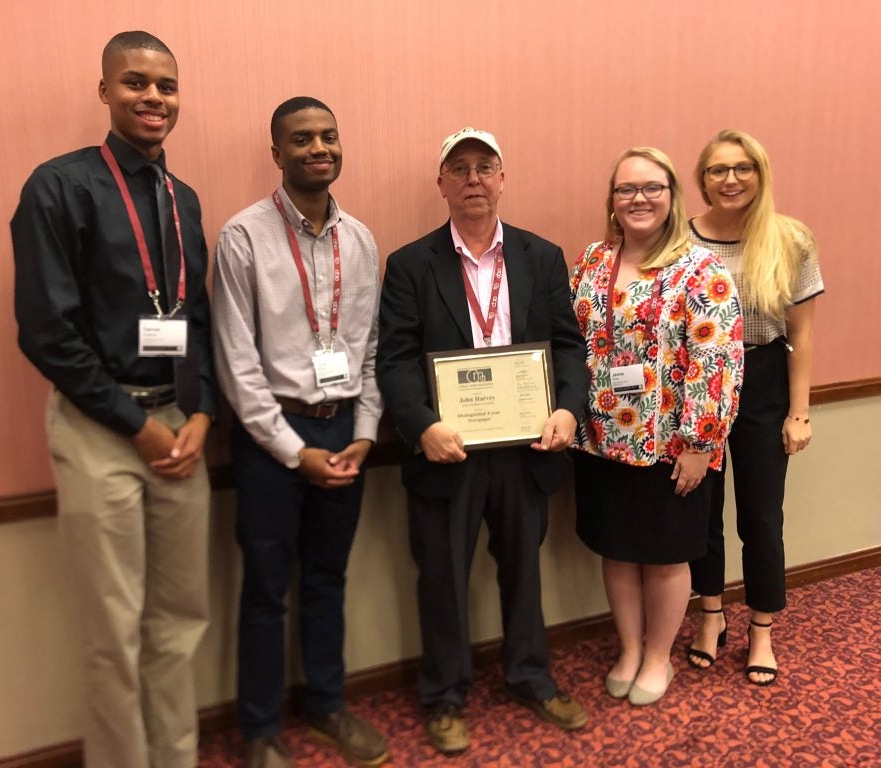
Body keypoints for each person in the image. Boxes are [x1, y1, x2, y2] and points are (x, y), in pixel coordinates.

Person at [11, 31, 215, 768]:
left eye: (165, 85)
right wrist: (136, 426)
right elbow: (45, 332)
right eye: (134, 83)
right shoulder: (58, 187)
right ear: (104, 92)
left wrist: (199, 414)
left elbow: (196, 320)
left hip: (177, 428)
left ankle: (177, 758)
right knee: (113, 632)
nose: (152, 98)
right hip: (103, 427)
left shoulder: (181, 197)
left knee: (180, 622)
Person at [377, 127, 590, 754]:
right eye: (460, 169)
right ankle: (443, 694)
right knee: (441, 576)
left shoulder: (541, 256)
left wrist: (568, 411)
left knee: (524, 570)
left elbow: (569, 346)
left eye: (485, 167)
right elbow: (393, 360)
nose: (473, 179)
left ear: (503, 178)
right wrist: (422, 425)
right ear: (441, 183)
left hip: (528, 450)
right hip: (450, 451)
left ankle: (530, 674)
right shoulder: (411, 264)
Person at [212, 97, 388, 768]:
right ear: (276, 153)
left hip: (344, 428)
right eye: (302, 138)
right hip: (270, 439)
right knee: (264, 588)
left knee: (327, 578)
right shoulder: (243, 237)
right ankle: (258, 730)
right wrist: (293, 451)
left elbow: (368, 352)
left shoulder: (362, 240)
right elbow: (237, 362)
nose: (319, 147)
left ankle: (328, 706)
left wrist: (366, 434)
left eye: (328, 135)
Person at [570, 147, 743, 706]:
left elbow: (717, 363)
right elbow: (570, 342)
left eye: (652, 187)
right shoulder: (592, 261)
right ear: (611, 201)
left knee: (667, 555)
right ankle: (628, 648)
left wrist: (699, 443)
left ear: (672, 196)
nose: (639, 199)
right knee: (618, 550)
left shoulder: (701, 270)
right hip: (601, 441)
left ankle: (659, 656)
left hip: (671, 444)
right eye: (626, 189)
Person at [686, 130, 824, 686]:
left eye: (743, 168)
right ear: (702, 180)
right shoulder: (682, 239)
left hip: (763, 377)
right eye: (718, 170)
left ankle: (761, 628)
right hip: (697, 379)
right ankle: (711, 614)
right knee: (701, 511)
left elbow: (803, 334)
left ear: (760, 174)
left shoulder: (791, 239)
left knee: (762, 516)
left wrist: (799, 412)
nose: (731, 179)